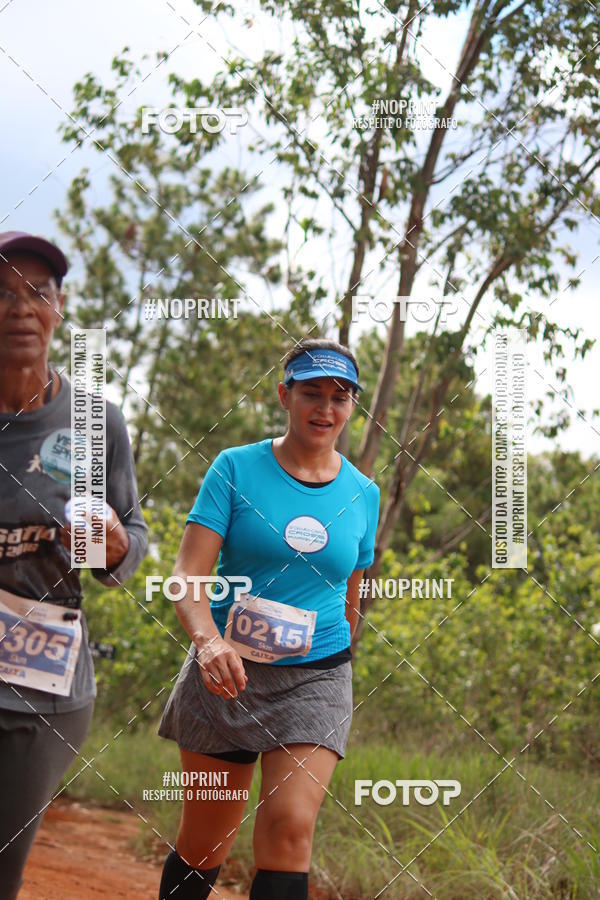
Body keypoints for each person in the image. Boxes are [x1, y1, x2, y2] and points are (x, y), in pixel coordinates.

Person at [157, 338, 380, 900]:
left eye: (340, 396)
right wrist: (207, 643)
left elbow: (354, 590)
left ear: (352, 405)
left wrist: (331, 655)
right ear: (285, 395)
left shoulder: (364, 493)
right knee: (207, 839)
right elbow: (188, 577)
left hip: (316, 675)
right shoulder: (235, 469)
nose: (325, 408)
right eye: (312, 393)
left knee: (289, 831)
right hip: (224, 672)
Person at [0, 231, 148, 898]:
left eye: (38, 292)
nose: (20, 308)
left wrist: (114, 547)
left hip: (42, 679)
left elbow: (124, 544)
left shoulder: (93, 422)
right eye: (2, 293)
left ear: (60, 309)